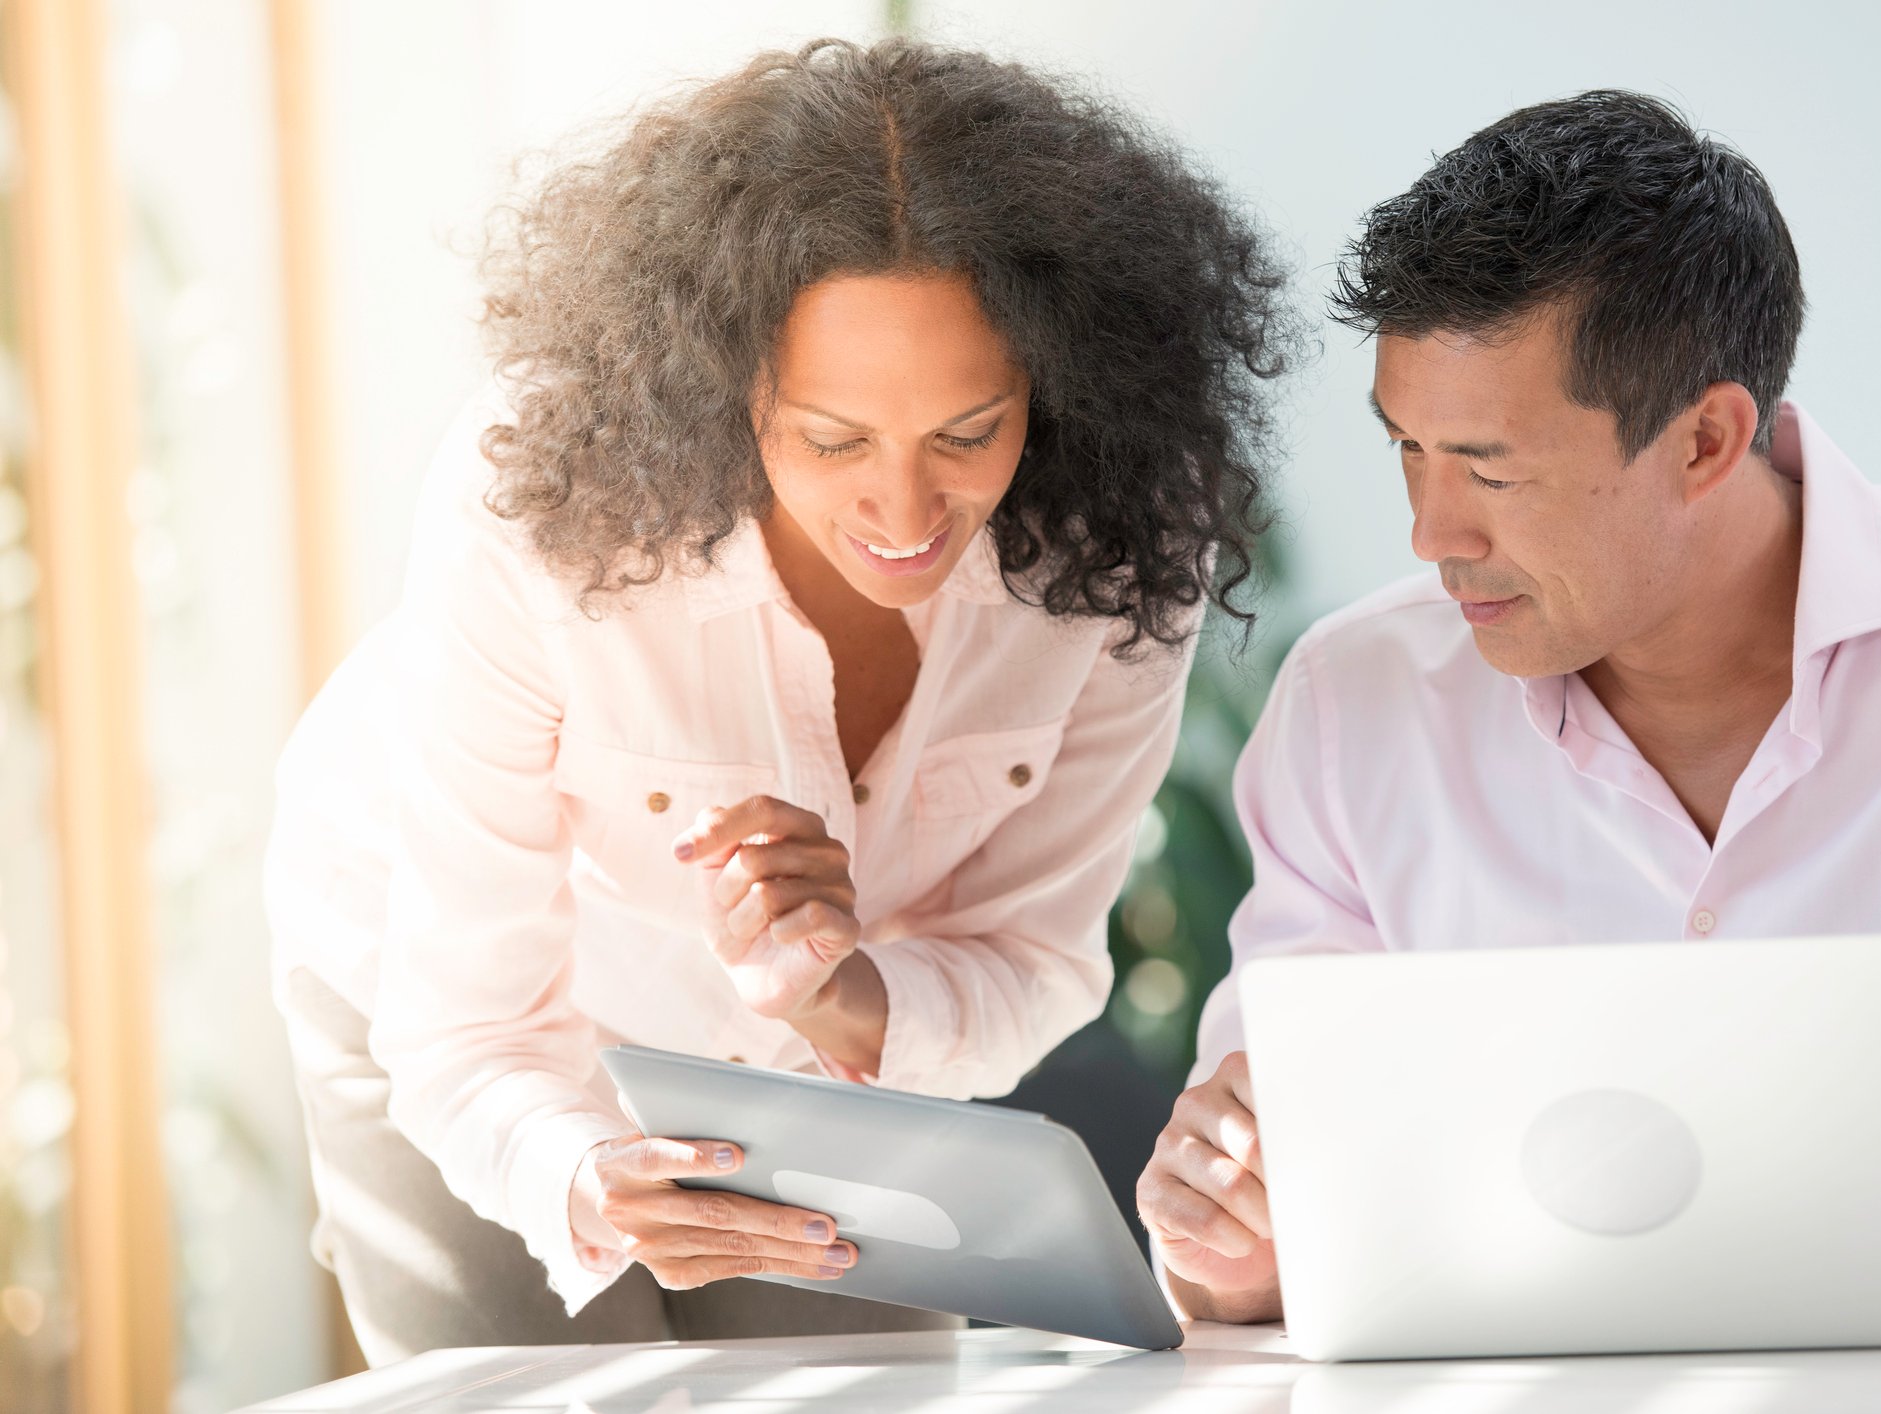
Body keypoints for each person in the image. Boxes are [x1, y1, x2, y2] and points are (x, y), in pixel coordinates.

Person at [265, 37, 1292, 1362]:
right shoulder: (538, 504)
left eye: (968, 431)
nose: (906, 512)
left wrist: (838, 990)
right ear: (721, 384)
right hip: (448, 1001)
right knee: (540, 1387)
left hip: (811, 1075)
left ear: (1058, 383)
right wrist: (584, 1175)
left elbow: (1029, 961)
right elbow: (467, 1020)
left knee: (864, 1389)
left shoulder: (1120, 543)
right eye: (831, 438)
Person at [1137, 90, 1881, 1324]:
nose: (1431, 533)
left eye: (1490, 469)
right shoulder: (1352, 706)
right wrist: (1228, 1241)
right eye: (1406, 449)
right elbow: (1269, 1233)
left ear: (1706, 440)